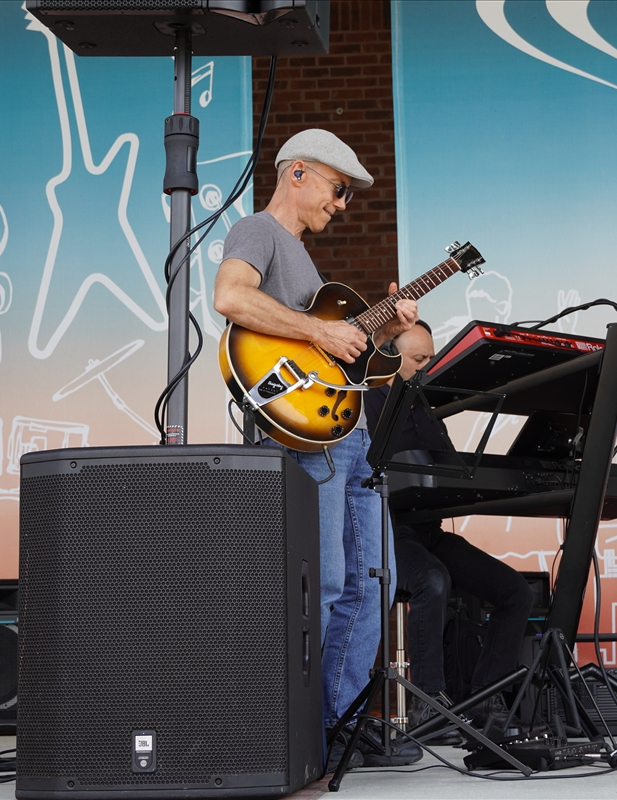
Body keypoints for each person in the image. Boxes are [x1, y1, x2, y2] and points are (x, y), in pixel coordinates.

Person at [213, 129, 421, 770]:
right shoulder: (258, 230)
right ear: (296, 172)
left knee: (375, 583)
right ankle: (302, 735)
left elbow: (335, 359)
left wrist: (380, 333)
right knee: (327, 584)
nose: (342, 203)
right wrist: (318, 332)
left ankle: (339, 729)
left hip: (350, 437)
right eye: (338, 188)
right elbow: (230, 297)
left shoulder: (305, 263)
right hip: (310, 443)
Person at [365, 320, 534, 740]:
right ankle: (429, 705)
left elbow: (448, 469)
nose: (427, 366)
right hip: (387, 528)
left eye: (431, 358)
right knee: (432, 580)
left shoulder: (425, 406)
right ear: (390, 356)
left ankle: (485, 698)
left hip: (428, 528)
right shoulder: (368, 401)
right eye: (419, 358)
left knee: (515, 591)